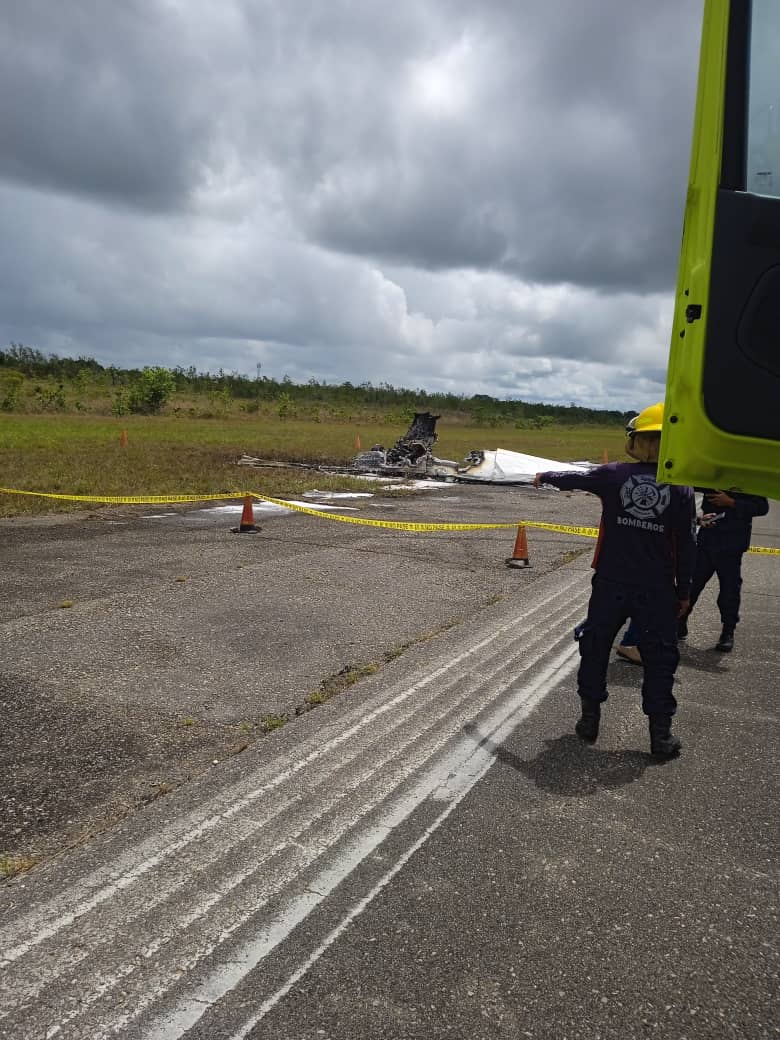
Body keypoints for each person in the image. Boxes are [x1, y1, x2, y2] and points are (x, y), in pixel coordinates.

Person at [533, 402, 696, 758]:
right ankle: (660, 737)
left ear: (635, 440)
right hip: (656, 590)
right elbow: (686, 546)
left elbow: (574, 478)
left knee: (595, 647)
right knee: (660, 659)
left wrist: (546, 476)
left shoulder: (613, 475)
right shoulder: (682, 489)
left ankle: (589, 721)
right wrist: (684, 593)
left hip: (611, 583)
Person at [678, 488, 769, 651]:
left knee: (729, 591)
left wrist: (732, 502)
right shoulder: (715, 470)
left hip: (732, 544)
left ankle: (728, 631)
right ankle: (680, 620)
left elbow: (762, 507)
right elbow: (692, 484)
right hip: (707, 539)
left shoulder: (749, 478)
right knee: (692, 585)